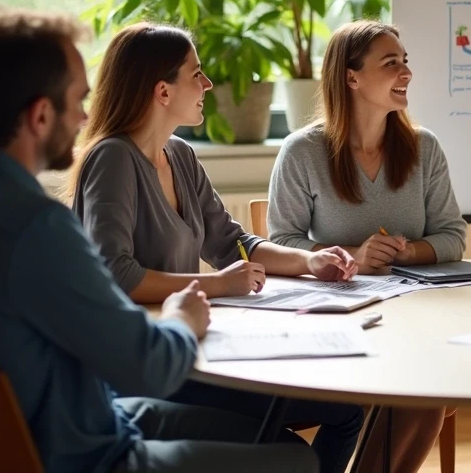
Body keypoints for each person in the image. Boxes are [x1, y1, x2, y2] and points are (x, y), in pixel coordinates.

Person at [0, 5, 316, 472]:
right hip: (78, 453)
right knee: (296, 463)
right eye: (76, 101)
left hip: (15, 436)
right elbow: (147, 365)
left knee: (268, 439)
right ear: (41, 115)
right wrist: (183, 317)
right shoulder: (36, 227)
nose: (85, 118)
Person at [69, 23, 362, 473]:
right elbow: (117, 275)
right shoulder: (112, 159)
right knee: (318, 427)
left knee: (347, 410)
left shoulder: (180, 153)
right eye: (197, 73)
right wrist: (217, 284)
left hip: (192, 351)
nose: (207, 84)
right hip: (148, 364)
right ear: (162, 92)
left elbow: (233, 243)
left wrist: (310, 260)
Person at [268, 20, 466, 473]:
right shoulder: (303, 151)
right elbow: (280, 241)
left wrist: (408, 252)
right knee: (416, 386)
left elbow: (452, 235)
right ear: (351, 76)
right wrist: (351, 257)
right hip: (337, 321)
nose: (406, 72)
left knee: (426, 391)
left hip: (414, 320)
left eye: (406, 61)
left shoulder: (423, 147)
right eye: (390, 62)